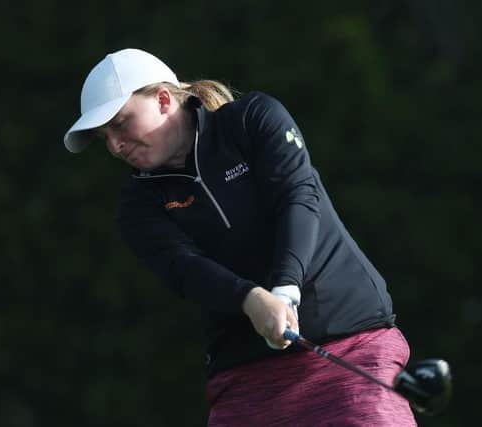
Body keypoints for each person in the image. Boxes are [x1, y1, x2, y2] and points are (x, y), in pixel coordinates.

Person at [64, 48, 417, 426]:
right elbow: (185, 268)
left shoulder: (252, 120)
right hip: (247, 377)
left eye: (120, 124)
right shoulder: (138, 205)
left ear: (164, 100)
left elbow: (297, 196)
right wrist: (251, 300)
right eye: (105, 137)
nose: (114, 146)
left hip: (351, 345)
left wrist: (283, 291)